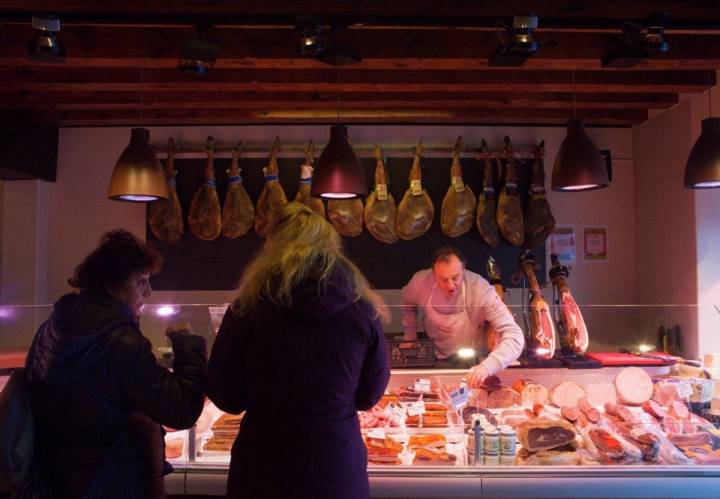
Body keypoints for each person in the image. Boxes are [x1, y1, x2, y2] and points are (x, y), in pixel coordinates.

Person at [207, 202, 390, 499]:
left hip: (263, 468)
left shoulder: (246, 310)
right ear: (331, 247)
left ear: (272, 248)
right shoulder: (361, 310)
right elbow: (368, 396)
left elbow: (227, 397)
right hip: (335, 466)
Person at [25, 229, 207, 499]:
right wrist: (187, 345)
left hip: (56, 478)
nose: (149, 292)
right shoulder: (121, 340)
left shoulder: (53, 325)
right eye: (141, 281)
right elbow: (180, 410)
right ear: (111, 286)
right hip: (111, 477)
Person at [400, 246, 524, 387]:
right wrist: (410, 333)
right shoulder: (420, 282)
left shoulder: (479, 288)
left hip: (474, 363)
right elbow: (406, 302)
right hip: (435, 359)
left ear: (463, 269)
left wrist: (487, 367)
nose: (451, 285)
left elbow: (515, 335)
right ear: (433, 274)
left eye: (455, 277)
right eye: (443, 280)